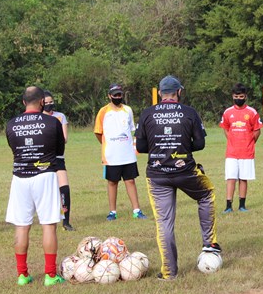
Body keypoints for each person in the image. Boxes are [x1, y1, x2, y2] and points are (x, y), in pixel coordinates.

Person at [135, 75, 221, 280]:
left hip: (157, 175)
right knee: (207, 194)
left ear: (160, 93)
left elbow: (140, 147)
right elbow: (200, 144)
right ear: (179, 92)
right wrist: (181, 145)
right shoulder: (189, 112)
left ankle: (169, 273)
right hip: (186, 172)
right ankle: (210, 244)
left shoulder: (147, 114)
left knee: (164, 222)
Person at [5, 86, 65, 286]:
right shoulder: (52, 122)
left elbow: (13, 149)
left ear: (23, 102)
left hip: (20, 178)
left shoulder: (11, 124)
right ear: (42, 102)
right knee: (48, 224)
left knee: (22, 226)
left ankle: (22, 275)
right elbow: (59, 149)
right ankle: (50, 275)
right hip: (45, 175)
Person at [94, 83, 147, 221]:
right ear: (109, 96)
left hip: (127, 154)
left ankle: (137, 210)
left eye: (119, 94)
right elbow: (98, 132)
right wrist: (108, 144)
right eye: (115, 95)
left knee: (130, 180)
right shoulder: (103, 111)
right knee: (112, 182)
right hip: (111, 155)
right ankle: (112, 212)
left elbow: (131, 130)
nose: (118, 97)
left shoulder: (128, 110)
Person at [219, 83, 263, 213]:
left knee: (243, 178)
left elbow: (257, 131)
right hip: (232, 152)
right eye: (236, 96)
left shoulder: (252, 112)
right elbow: (226, 128)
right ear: (233, 96)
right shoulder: (228, 112)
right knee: (231, 178)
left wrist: (249, 142)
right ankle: (228, 206)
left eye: (241, 96)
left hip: (247, 152)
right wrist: (232, 140)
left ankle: (242, 205)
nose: (239, 98)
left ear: (245, 97)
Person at [43, 91, 74, 231]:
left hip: (57, 157)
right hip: (42, 158)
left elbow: (64, 139)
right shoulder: (38, 118)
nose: (50, 105)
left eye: (51, 102)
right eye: (46, 103)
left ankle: (66, 222)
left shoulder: (60, 116)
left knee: (64, 188)